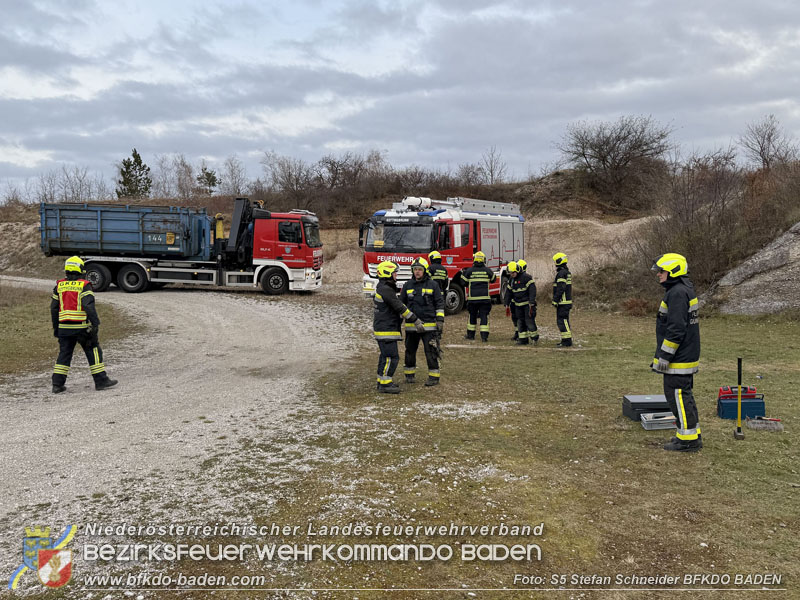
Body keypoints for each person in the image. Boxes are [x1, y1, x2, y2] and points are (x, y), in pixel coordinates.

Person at [651, 253, 702, 452]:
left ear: (673, 271)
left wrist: (664, 356)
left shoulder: (678, 293)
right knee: (684, 397)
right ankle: (690, 434)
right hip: (685, 355)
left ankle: (688, 441)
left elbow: (675, 329)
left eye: (661, 271)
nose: (659, 275)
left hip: (679, 359)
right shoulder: (682, 289)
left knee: (678, 397)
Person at [51, 256, 118, 393]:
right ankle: (101, 381)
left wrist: (56, 328)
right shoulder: (83, 285)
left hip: (64, 328)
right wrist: (95, 323)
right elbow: (88, 305)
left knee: (64, 354)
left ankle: (57, 384)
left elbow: (53, 308)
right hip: (81, 327)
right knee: (93, 350)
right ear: (79, 268)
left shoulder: (59, 285)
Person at [373, 261, 424, 394]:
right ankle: (385, 383)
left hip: (384, 328)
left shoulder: (383, 288)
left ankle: (382, 381)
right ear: (387, 273)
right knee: (392, 357)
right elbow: (400, 307)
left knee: (385, 356)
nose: (396, 274)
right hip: (386, 330)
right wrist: (416, 320)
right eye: (395, 272)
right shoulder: (386, 290)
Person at [401, 257, 445, 386]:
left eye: (420, 269)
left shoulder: (433, 285)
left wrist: (440, 320)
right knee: (410, 351)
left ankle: (434, 377)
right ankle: (409, 375)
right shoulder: (407, 285)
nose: (417, 272)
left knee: (430, 351)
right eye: (415, 269)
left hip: (429, 326)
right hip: (411, 326)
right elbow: (401, 305)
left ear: (425, 271)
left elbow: (439, 303)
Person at [459, 251, 496, 342]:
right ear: (483, 260)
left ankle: (470, 335)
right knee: (484, 316)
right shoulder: (488, 270)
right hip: (485, 299)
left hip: (473, 299)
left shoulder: (469, 271)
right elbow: (494, 279)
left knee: (472, 316)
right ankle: (484, 337)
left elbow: (462, 282)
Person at [508, 261, 539, 345]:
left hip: (527, 305)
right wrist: (507, 302)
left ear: (517, 271)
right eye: (510, 273)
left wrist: (531, 301)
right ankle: (523, 339)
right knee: (520, 322)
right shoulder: (511, 280)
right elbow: (509, 292)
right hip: (518, 305)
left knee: (529, 321)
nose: (512, 274)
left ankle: (534, 338)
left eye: (513, 272)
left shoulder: (526, 277)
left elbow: (532, 290)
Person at [551, 252, 573, 347]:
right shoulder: (565, 272)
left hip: (563, 302)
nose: (555, 263)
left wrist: (555, 300)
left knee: (562, 321)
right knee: (564, 321)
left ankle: (567, 341)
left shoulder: (561, 274)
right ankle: (565, 340)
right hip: (565, 301)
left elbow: (561, 288)